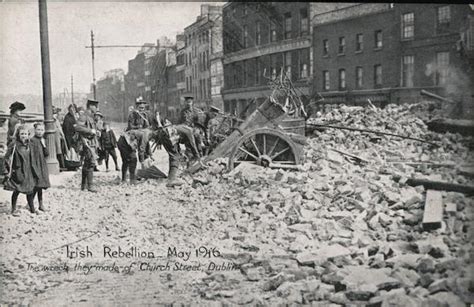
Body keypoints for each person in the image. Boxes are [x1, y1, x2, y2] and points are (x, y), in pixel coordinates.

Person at [3, 125, 36, 215]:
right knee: (17, 190)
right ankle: (13, 209)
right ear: (18, 134)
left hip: (28, 169)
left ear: (28, 134)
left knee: (30, 190)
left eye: (25, 134)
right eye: (22, 134)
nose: (24, 136)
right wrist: (6, 170)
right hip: (18, 170)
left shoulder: (29, 145)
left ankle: (32, 209)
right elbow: (6, 158)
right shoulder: (14, 145)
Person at [74, 99, 100, 192]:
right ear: (90, 106)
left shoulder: (90, 116)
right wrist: (90, 131)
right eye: (95, 106)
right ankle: (90, 186)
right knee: (91, 163)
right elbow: (77, 127)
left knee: (87, 164)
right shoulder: (84, 116)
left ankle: (83, 185)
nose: (97, 108)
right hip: (86, 143)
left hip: (91, 142)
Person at [30, 122, 50, 212]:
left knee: (40, 185)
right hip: (35, 164)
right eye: (38, 130)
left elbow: (47, 154)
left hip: (42, 164)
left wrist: (44, 145)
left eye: (42, 130)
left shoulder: (42, 140)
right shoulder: (32, 140)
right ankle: (30, 203)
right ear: (35, 130)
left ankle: (40, 204)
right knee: (36, 185)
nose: (40, 132)